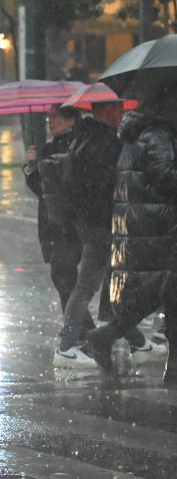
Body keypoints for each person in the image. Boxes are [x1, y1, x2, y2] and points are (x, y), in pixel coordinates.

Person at [84, 86, 177, 378]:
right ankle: (109, 336)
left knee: (160, 291)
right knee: (164, 290)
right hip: (159, 227)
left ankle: (109, 335)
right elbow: (165, 177)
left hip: (143, 225)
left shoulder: (137, 135)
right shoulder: (158, 137)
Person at [50, 103, 126, 366]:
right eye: (118, 110)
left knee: (111, 281)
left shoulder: (83, 140)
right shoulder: (104, 144)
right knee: (90, 285)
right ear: (108, 112)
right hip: (103, 224)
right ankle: (67, 346)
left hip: (91, 223)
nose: (121, 115)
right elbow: (109, 186)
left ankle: (131, 340)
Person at [24, 105, 81, 310]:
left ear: (71, 120)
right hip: (52, 224)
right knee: (63, 280)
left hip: (71, 224)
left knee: (66, 280)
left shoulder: (79, 147)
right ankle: (77, 325)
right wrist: (32, 166)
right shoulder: (47, 150)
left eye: (56, 117)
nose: (51, 122)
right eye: (49, 117)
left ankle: (77, 325)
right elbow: (40, 188)